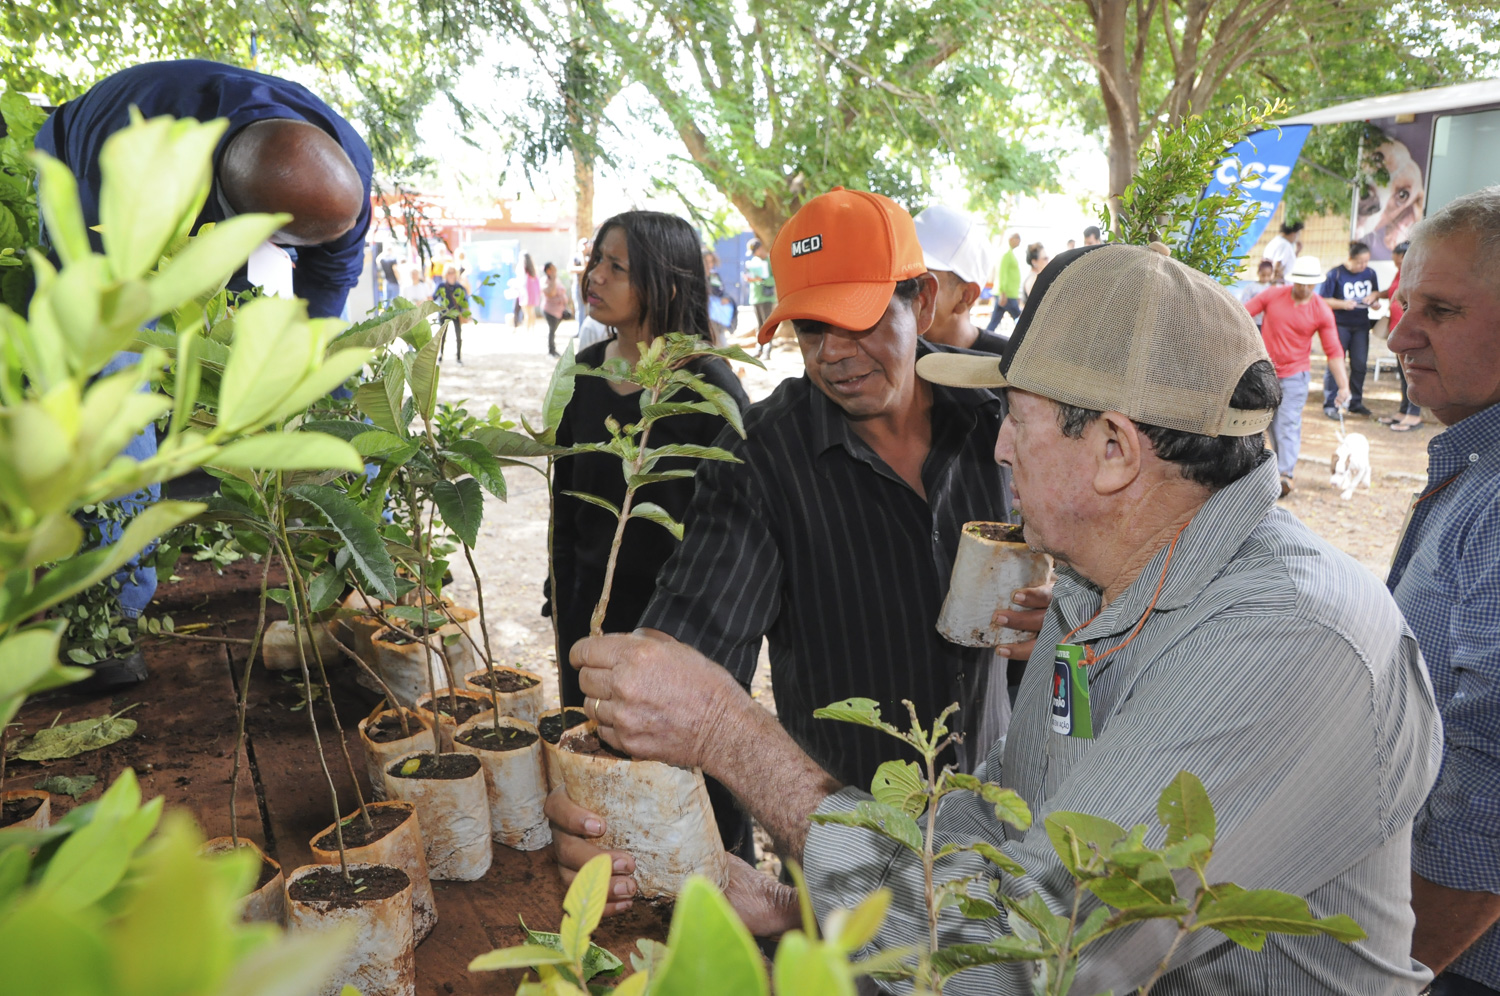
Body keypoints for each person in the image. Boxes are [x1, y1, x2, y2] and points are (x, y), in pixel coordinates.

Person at [559, 242, 1441, 995]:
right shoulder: (1096, 591)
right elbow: (1002, 832)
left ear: (1114, 450)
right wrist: (795, 905)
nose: (998, 445)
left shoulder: (1284, 647)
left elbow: (1016, 962)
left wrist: (730, 732)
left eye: (1017, 419)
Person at [547, 188, 1036, 913]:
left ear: (924, 300)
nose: (833, 353)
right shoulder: (760, 461)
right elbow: (682, 658)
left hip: (1008, 844)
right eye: (811, 328)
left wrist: (1059, 618)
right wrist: (605, 803)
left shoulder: (1002, 419)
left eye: (859, 320)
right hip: (846, 884)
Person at [34, 58, 373, 689]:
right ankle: (107, 615)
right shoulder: (125, 161)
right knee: (116, 385)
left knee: (335, 379)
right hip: (91, 190)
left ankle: (356, 576)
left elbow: (328, 291)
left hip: (216, 195)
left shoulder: (343, 171)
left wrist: (299, 373)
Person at [549, 210, 751, 858]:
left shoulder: (707, 385)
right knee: (602, 776)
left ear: (665, 283)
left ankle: (722, 891)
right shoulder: (583, 370)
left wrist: (693, 636)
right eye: (595, 261)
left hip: (682, 629)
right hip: (591, 614)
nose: (595, 276)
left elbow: (739, 530)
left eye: (617, 267)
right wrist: (564, 600)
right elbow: (565, 503)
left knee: (693, 798)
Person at [1386, 187, 1500, 996]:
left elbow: (1490, 775)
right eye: (1404, 305)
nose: (1399, 335)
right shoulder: (1475, 464)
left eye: (1441, 311)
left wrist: (1394, 976)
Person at [1245, 255, 1351, 496]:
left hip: (1295, 375)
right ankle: (1269, 471)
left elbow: (1334, 351)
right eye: (1300, 282)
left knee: (1288, 422)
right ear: (1293, 280)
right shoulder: (1273, 295)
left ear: (1315, 283)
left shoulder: (1321, 310)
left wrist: (1343, 386)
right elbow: (1243, 312)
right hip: (1266, 372)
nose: (1304, 287)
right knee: (1266, 423)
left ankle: (1285, 475)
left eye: (1309, 283)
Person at [912, 204, 1004, 353]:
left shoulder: (1010, 363)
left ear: (965, 296)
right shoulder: (884, 349)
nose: (899, 290)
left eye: (917, 283)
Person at [1320, 241, 1381, 418]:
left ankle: (1355, 402)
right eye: (1360, 262)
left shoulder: (1370, 273)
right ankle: (1331, 403)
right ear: (1350, 259)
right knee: (1336, 363)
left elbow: (1375, 294)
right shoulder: (1336, 274)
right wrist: (1343, 304)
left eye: (1366, 261)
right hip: (1340, 325)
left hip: (1361, 325)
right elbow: (1323, 300)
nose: (1363, 265)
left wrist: (1374, 301)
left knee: (1360, 364)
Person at [1378, 241, 1422, 431]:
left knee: (1413, 375)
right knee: (1403, 375)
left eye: (1398, 261)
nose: (1396, 265)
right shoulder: (1400, 273)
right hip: (1397, 332)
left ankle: (1414, 414)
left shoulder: (1418, 273)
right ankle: (1404, 410)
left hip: (1411, 333)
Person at [983, 232, 1023, 334]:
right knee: (1021, 320)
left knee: (994, 321)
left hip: (1008, 293)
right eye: (1018, 239)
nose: (1019, 242)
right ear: (1012, 239)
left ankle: (985, 337)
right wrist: (1003, 292)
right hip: (1007, 294)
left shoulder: (1009, 252)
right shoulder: (1006, 253)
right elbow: (1002, 273)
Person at [745, 237, 776, 359]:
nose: (755, 254)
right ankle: (759, 349)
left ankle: (767, 350)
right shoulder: (753, 262)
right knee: (759, 325)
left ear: (760, 248)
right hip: (755, 297)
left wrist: (763, 279)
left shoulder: (769, 261)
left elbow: (775, 279)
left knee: (767, 325)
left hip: (767, 298)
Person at [433, 267, 470, 364]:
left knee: (458, 335)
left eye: (453, 272)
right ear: (446, 274)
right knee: (442, 335)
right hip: (444, 313)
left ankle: (458, 357)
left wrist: (466, 313)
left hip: (456, 314)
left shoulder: (459, 287)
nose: (451, 274)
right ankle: (440, 355)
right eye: (449, 272)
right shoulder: (441, 285)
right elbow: (434, 297)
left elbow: (465, 301)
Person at [1233, 259, 1276, 326]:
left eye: (1268, 275)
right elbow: (1244, 303)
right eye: (1263, 275)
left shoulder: (1272, 288)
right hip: (1254, 322)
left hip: (1267, 323)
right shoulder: (1251, 287)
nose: (1265, 278)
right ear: (1258, 272)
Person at [541, 261, 569, 357]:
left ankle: (553, 350)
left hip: (559, 311)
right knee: (552, 331)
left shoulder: (557, 280)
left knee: (553, 331)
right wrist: (552, 280)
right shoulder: (545, 281)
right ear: (548, 271)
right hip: (550, 311)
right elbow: (551, 293)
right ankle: (552, 350)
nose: (555, 270)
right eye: (553, 269)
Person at [1263, 219, 1303, 284]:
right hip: (1282, 284)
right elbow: (1278, 265)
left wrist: (1297, 252)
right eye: (1297, 234)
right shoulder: (1285, 244)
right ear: (1293, 233)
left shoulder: (1276, 241)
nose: (1297, 237)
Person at [521, 253, 542, 334]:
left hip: (526, 294)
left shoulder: (523, 270)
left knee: (527, 313)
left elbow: (522, 283)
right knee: (531, 312)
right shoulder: (533, 270)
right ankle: (532, 328)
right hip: (533, 294)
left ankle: (527, 329)